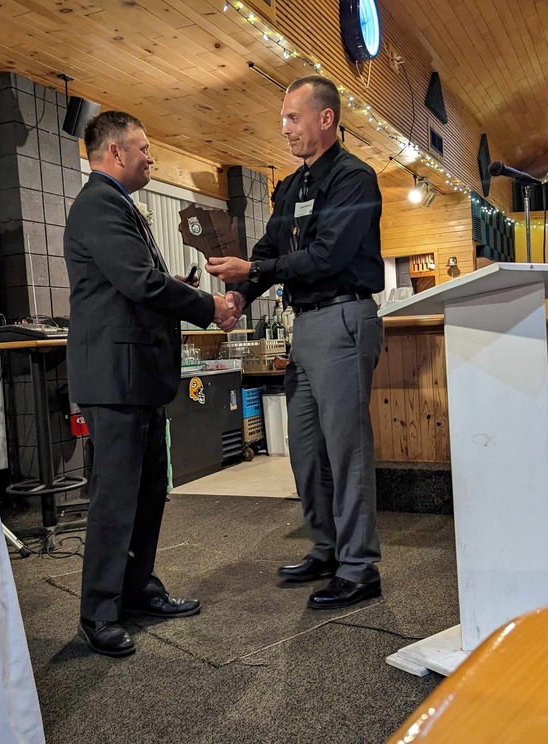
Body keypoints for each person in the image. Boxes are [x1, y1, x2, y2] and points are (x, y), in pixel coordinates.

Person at [206, 76, 384, 610]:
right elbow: (267, 248)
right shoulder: (290, 187)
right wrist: (238, 296)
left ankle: (360, 567)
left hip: (343, 318)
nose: (284, 129)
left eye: (293, 118)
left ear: (325, 119)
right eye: (282, 119)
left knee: (346, 451)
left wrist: (256, 268)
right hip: (305, 326)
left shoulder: (355, 179)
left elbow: (327, 255)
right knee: (306, 449)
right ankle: (327, 549)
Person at [64, 111, 237, 657]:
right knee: (115, 499)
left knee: (147, 491)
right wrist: (208, 304)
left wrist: (180, 290)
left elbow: (136, 284)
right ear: (115, 153)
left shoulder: (120, 207)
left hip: (137, 374)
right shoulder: (98, 205)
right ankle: (99, 612)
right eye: (142, 149)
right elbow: (138, 282)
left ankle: (136, 590)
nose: (149, 157)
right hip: (116, 378)